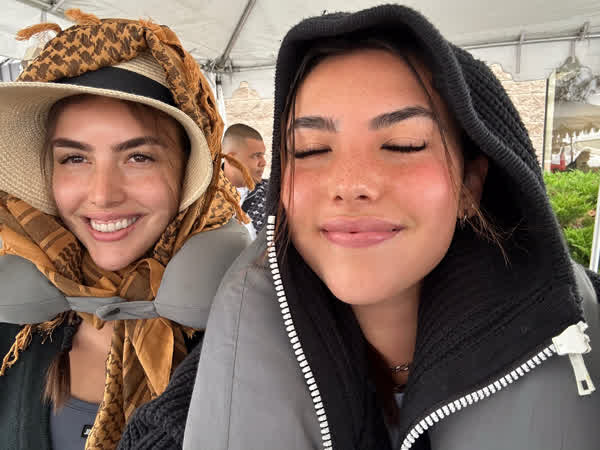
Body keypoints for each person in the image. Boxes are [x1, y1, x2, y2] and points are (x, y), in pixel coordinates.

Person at [128, 5, 600, 450]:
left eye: (403, 144)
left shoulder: (580, 333)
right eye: (311, 150)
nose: (350, 185)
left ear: (470, 186)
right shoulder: (212, 383)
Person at [0, 9, 250, 450]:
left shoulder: (257, 336)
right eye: (74, 158)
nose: (102, 195)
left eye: (139, 157)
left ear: (189, 171)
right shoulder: (13, 332)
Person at [222, 124, 269, 239]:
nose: (263, 162)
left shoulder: (274, 193)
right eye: (256, 156)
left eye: (262, 155)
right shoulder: (203, 197)